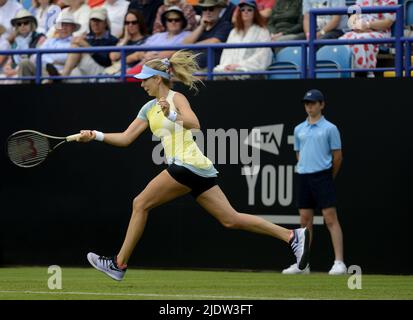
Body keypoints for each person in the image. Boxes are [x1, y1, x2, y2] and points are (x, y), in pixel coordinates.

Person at [76, 50, 310, 281]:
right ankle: (291, 236)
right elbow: (126, 138)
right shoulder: (147, 109)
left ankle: (119, 263)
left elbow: (195, 123)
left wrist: (172, 116)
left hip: (186, 164)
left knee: (140, 203)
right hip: (196, 169)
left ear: (158, 79)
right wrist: (94, 135)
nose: (141, 85)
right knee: (231, 219)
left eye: (144, 80)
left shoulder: (176, 98)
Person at [282, 89, 346, 275]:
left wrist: (328, 176)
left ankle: (339, 262)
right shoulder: (299, 129)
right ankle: (303, 265)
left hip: (323, 176)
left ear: (322, 105)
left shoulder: (330, 128)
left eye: (313, 103)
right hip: (304, 177)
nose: (309, 106)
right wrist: (306, 167)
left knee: (330, 219)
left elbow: (338, 157)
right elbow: (298, 154)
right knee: (304, 221)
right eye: (307, 103)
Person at [213, 0, 272, 79]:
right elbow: (226, 54)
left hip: (251, 73)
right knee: (217, 72)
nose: (245, 12)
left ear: (255, 13)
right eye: (242, 10)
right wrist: (227, 66)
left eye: (249, 10)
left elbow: (263, 56)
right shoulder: (233, 32)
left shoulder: (263, 31)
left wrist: (240, 66)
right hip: (231, 71)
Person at [340, 0, 396, 77]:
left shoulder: (390, 1)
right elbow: (352, 22)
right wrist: (360, 28)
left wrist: (368, 25)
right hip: (359, 31)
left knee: (362, 40)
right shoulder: (360, 1)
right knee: (342, 40)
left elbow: (387, 23)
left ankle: (364, 72)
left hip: (380, 33)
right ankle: (344, 71)